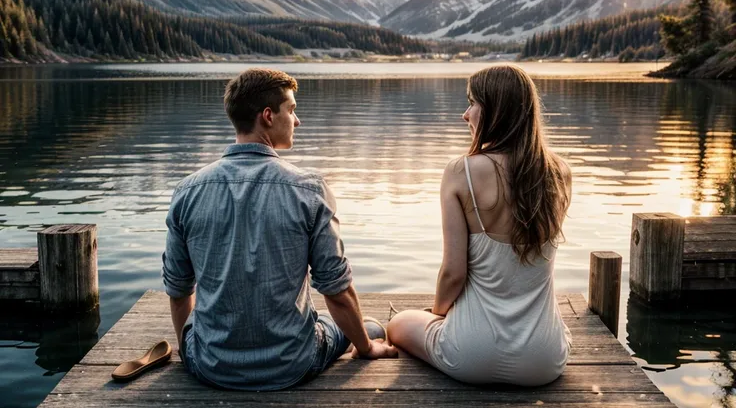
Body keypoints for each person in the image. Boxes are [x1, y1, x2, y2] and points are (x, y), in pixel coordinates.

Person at [162, 68, 397, 391]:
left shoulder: (187, 191)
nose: (297, 121)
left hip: (209, 366)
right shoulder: (309, 189)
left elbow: (178, 291)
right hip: (293, 364)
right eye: (292, 110)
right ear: (268, 116)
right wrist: (367, 349)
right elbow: (336, 292)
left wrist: (195, 354)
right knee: (369, 327)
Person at [387, 64, 572, 386]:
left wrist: (438, 313)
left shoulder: (463, 172)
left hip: (470, 355)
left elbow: (453, 273)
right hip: (544, 361)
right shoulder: (560, 172)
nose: (465, 114)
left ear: (495, 110)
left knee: (398, 324)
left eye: (472, 103)